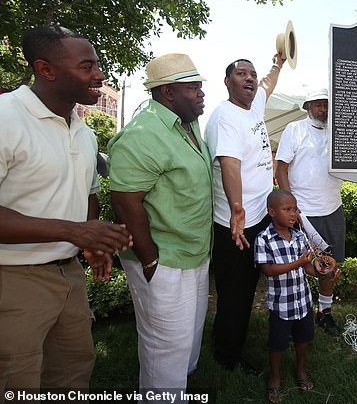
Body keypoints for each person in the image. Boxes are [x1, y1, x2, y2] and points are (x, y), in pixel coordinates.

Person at [0, 25, 132, 392]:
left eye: (97, 65)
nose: (100, 75)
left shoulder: (84, 131)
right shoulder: (5, 118)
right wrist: (73, 231)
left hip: (69, 276)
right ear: (46, 70)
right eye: (87, 66)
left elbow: (88, 192)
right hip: (12, 279)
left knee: (72, 376)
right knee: (15, 383)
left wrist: (89, 239)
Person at [108, 53, 213, 400]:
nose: (201, 94)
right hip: (163, 258)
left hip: (194, 252)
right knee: (165, 345)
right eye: (193, 88)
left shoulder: (188, 123)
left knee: (186, 337)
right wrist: (151, 261)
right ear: (168, 93)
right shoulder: (142, 134)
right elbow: (125, 203)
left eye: (200, 86)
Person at [204, 55, 286, 376]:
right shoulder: (226, 117)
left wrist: (277, 64)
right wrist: (237, 208)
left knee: (246, 287)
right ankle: (227, 356)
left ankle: (228, 337)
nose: (250, 78)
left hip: (255, 217)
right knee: (235, 293)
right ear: (228, 82)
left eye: (252, 74)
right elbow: (230, 165)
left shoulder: (252, 107)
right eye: (241, 74)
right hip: (236, 225)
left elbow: (268, 84)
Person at [275, 88, 344, 336]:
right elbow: (280, 168)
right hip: (303, 212)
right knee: (298, 266)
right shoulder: (294, 130)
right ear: (307, 106)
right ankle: (295, 315)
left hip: (333, 208)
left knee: (330, 266)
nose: (322, 109)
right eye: (316, 105)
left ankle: (324, 313)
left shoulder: (338, 131)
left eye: (325, 105)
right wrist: (291, 208)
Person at [255, 190, 318, 403]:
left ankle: (300, 370)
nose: (293, 214)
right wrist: (298, 263)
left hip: (302, 301)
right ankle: (275, 376)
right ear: (271, 212)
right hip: (281, 305)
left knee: (303, 338)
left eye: (295, 209)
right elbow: (268, 270)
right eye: (287, 209)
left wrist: (321, 272)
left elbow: (308, 267)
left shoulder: (300, 236)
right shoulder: (264, 239)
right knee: (278, 343)